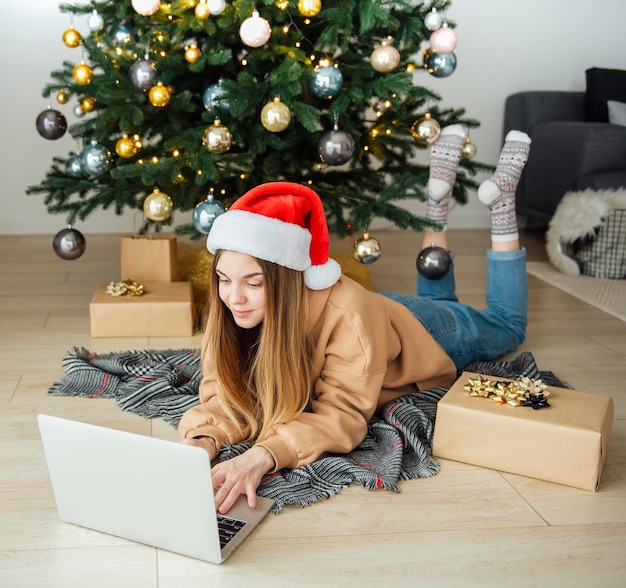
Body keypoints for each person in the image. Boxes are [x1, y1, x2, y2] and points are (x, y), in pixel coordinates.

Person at [179, 127, 531, 514]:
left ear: (286, 280)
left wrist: (264, 455)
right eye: (224, 280)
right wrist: (203, 438)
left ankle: (503, 206)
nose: (233, 297)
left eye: (254, 283)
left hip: (419, 331)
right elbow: (222, 393)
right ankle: (436, 205)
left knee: (506, 324)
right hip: (371, 319)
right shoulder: (231, 307)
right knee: (439, 296)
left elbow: (342, 416)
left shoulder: (348, 316)